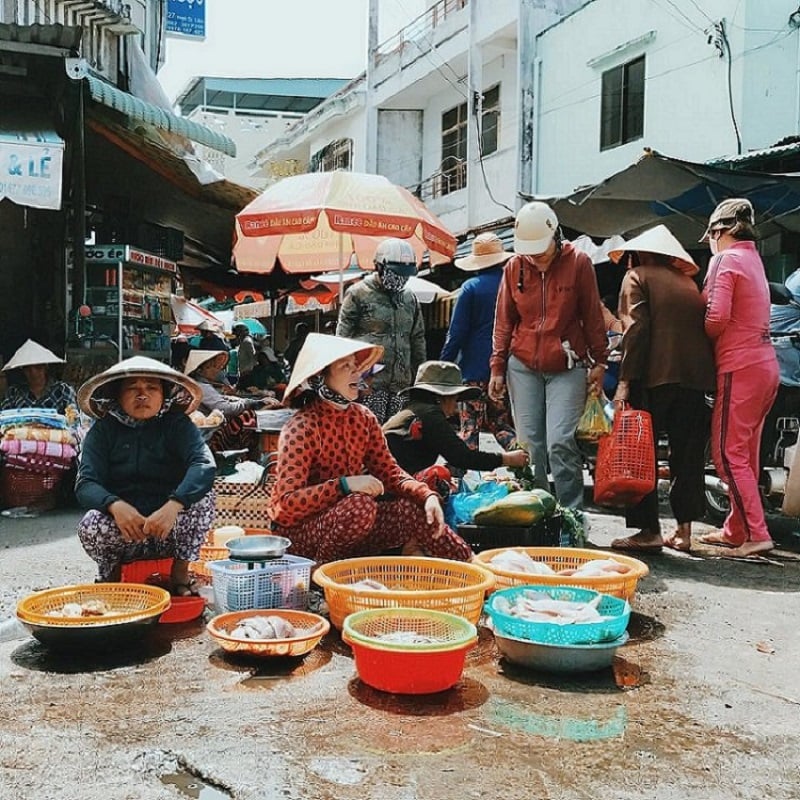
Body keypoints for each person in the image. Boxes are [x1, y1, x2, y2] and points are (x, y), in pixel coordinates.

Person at [266, 334, 474, 565]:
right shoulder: (300, 427)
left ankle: (472, 563)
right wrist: (344, 485)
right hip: (301, 538)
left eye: (356, 366)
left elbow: (390, 473)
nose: (356, 373)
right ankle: (321, 577)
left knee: (412, 509)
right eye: (346, 367)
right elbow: (285, 506)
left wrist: (426, 496)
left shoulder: (363, 419)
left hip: (349, 528)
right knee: (360, 505)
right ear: (319, 377)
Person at [602, 225, 716, 553]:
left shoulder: (637, 276)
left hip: (654, 376)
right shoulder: (687, 282)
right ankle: (683, 531)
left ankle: (648, 531)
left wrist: (624, 382)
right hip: (696, 379)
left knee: (641, 454)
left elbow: (635, 330)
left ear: (639, 254)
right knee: (687, 456)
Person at [488, 201, 608, 511]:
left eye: (541, 251)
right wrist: (497, 368)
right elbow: (503, 322)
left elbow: (592, 316)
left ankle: (571, 515)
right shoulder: (514, 266)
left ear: (555, 236)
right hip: (522, 365)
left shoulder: (579, 263)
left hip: (568, 365)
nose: (537, 259)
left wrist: (600, 361)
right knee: (530, 448)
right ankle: (536, 512)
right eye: (531, 254)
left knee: (560, 443)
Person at [74, 357, 216, 594]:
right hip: (126, 529)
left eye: (151, 387)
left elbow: (203, 464)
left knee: (204, 498)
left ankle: (180, 574)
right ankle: (111, 576)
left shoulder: (177, 424)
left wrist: (174, 505)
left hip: (169, 527)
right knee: (90, 524)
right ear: (117, 395)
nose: (142, 395)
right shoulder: (103, 430)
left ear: (164, 394)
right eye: (132, 388)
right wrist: (115, 506)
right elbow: (85, 483)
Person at [696, 199, 780, 557]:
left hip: (739, 365)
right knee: (746, 452)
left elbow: (716, 318)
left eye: (712, 234)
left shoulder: (725, 260)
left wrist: (693, 336)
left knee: (728, 454)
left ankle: (757, 533)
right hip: (765, 365)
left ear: (720, 231)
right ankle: (736, 527)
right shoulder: (754, 260)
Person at [384, 360, 530, 479]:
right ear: (442, 398)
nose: (455, 407)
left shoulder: (415, 410)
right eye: (455, 399)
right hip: (388, 486)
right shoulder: (429, 414)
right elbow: (461, 457)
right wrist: (507, 459)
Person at [337, 238, 426, 424]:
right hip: (369, 385)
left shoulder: (410, 299)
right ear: (379, 266)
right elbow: (341, 342)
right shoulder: (357, 294)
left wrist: (420, 379)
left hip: (401, 387)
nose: (400, 279)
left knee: (397, 438)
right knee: (367, 436)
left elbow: (417, 339)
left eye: (405, 274)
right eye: (395, 273)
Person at [440, 233, 516, 450]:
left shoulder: (470, 288)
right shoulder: (512, 285)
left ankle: (464, 479)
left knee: (469, 429)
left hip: (473, 372)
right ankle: (522, 461)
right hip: (504, 370)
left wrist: (443, 365)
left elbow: (456, 334)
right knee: (501, 424)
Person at [184, 350, 281, 455]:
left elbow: (222, 399)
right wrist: (251, 403)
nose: (217, 371)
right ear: (201, 370)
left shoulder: (203, 384)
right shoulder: (200, 386)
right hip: (208, 435)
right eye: (213, 367)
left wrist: (250, 401)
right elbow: (226, 408)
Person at [1, 339, 78, 418]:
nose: (33, 373)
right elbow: (3, 418)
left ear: (45, 367)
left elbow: (74, 419)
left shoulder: (63, 391)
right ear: (23, 370)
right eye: (28, 369)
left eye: (38, 367)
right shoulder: (14, 393)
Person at [233, 323, 257, 388]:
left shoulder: (247, 342)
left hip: (247, 374)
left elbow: (253, 356)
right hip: (243, 373)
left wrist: (248, 370)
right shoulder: (243, 342)